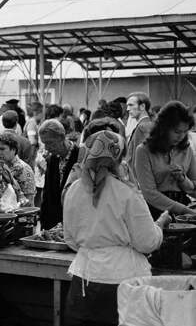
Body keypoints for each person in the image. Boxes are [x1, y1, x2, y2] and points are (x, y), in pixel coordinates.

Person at [63, 130, 168, 326]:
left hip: (83, 280)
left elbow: (70, 238)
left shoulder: (73, 190)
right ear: (119, 158)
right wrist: (160, 225)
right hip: (123, 282)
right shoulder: (127, 193)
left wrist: (95, 246)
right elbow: (147, 242)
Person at [135, 101, 196, 218]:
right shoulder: (143, 151)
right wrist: (183, 210)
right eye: (177, 131)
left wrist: (183, 179)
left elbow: (193, 186)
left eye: (185, 131)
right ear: (163, 128)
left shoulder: (186, 149)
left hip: (184, 209)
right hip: (155, 212)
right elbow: (149, 193)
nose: (181, 136)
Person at [38, 119, 81, 230]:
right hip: (54, 225)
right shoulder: (52, 159)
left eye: (50, 143)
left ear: (62, 137)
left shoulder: (80, 157)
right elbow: (47, 195)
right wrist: (44, 227)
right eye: (44, 143)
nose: (47, 148)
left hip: (75, 223)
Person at [0, 132, 36, 205]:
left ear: (13, 150)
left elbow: (28, 201)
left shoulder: (24, 169)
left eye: (2, 149)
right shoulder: (0, 166)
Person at [124, 92, 152, 175]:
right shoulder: (145, 124)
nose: (127, 109)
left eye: (131, 105)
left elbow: (139, 158)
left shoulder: (143, 127)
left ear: (142, 106)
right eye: (127, 106)